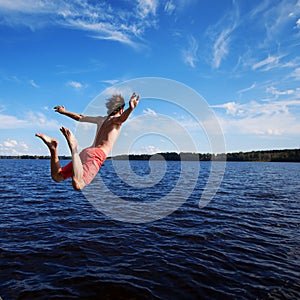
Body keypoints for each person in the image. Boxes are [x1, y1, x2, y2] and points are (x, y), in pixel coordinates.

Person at [36, 92, 139, 190]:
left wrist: (64, 112)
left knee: (57, 176)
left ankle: (53, 149)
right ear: (121, 109)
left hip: (86, 152)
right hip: (97, 154)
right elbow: (122, 119)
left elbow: (80, 117)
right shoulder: (115, 121)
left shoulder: (101, 119)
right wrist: (130, 109)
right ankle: (73, 147)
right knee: (78, 184)